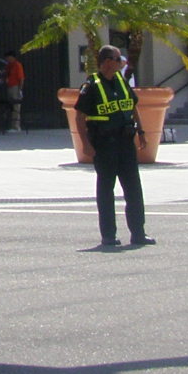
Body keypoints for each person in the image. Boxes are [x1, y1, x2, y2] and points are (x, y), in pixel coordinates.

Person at [81, 44, 151, 249]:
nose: (122, 63)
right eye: (119, 59)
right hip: (104, 144)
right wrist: (86, 144)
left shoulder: (121, 80)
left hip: (125, 142)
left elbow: (132, 105)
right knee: (106, 190)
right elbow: (79, 116)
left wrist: (141, 131)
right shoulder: (91, 85)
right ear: (108, 61)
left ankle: (138, 233)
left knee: (133, 188)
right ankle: (109, 236)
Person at [3, 52, 27, 132]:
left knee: (16, 106)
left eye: (8, 57)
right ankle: (11, 125)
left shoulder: (17, 65)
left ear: (12, 57)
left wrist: (20, 90)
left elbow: (21, 78)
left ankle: (16, 126)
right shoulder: (8, 66)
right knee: (10, 106)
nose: (7, 59)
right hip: (9, 87)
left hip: (15, 87)